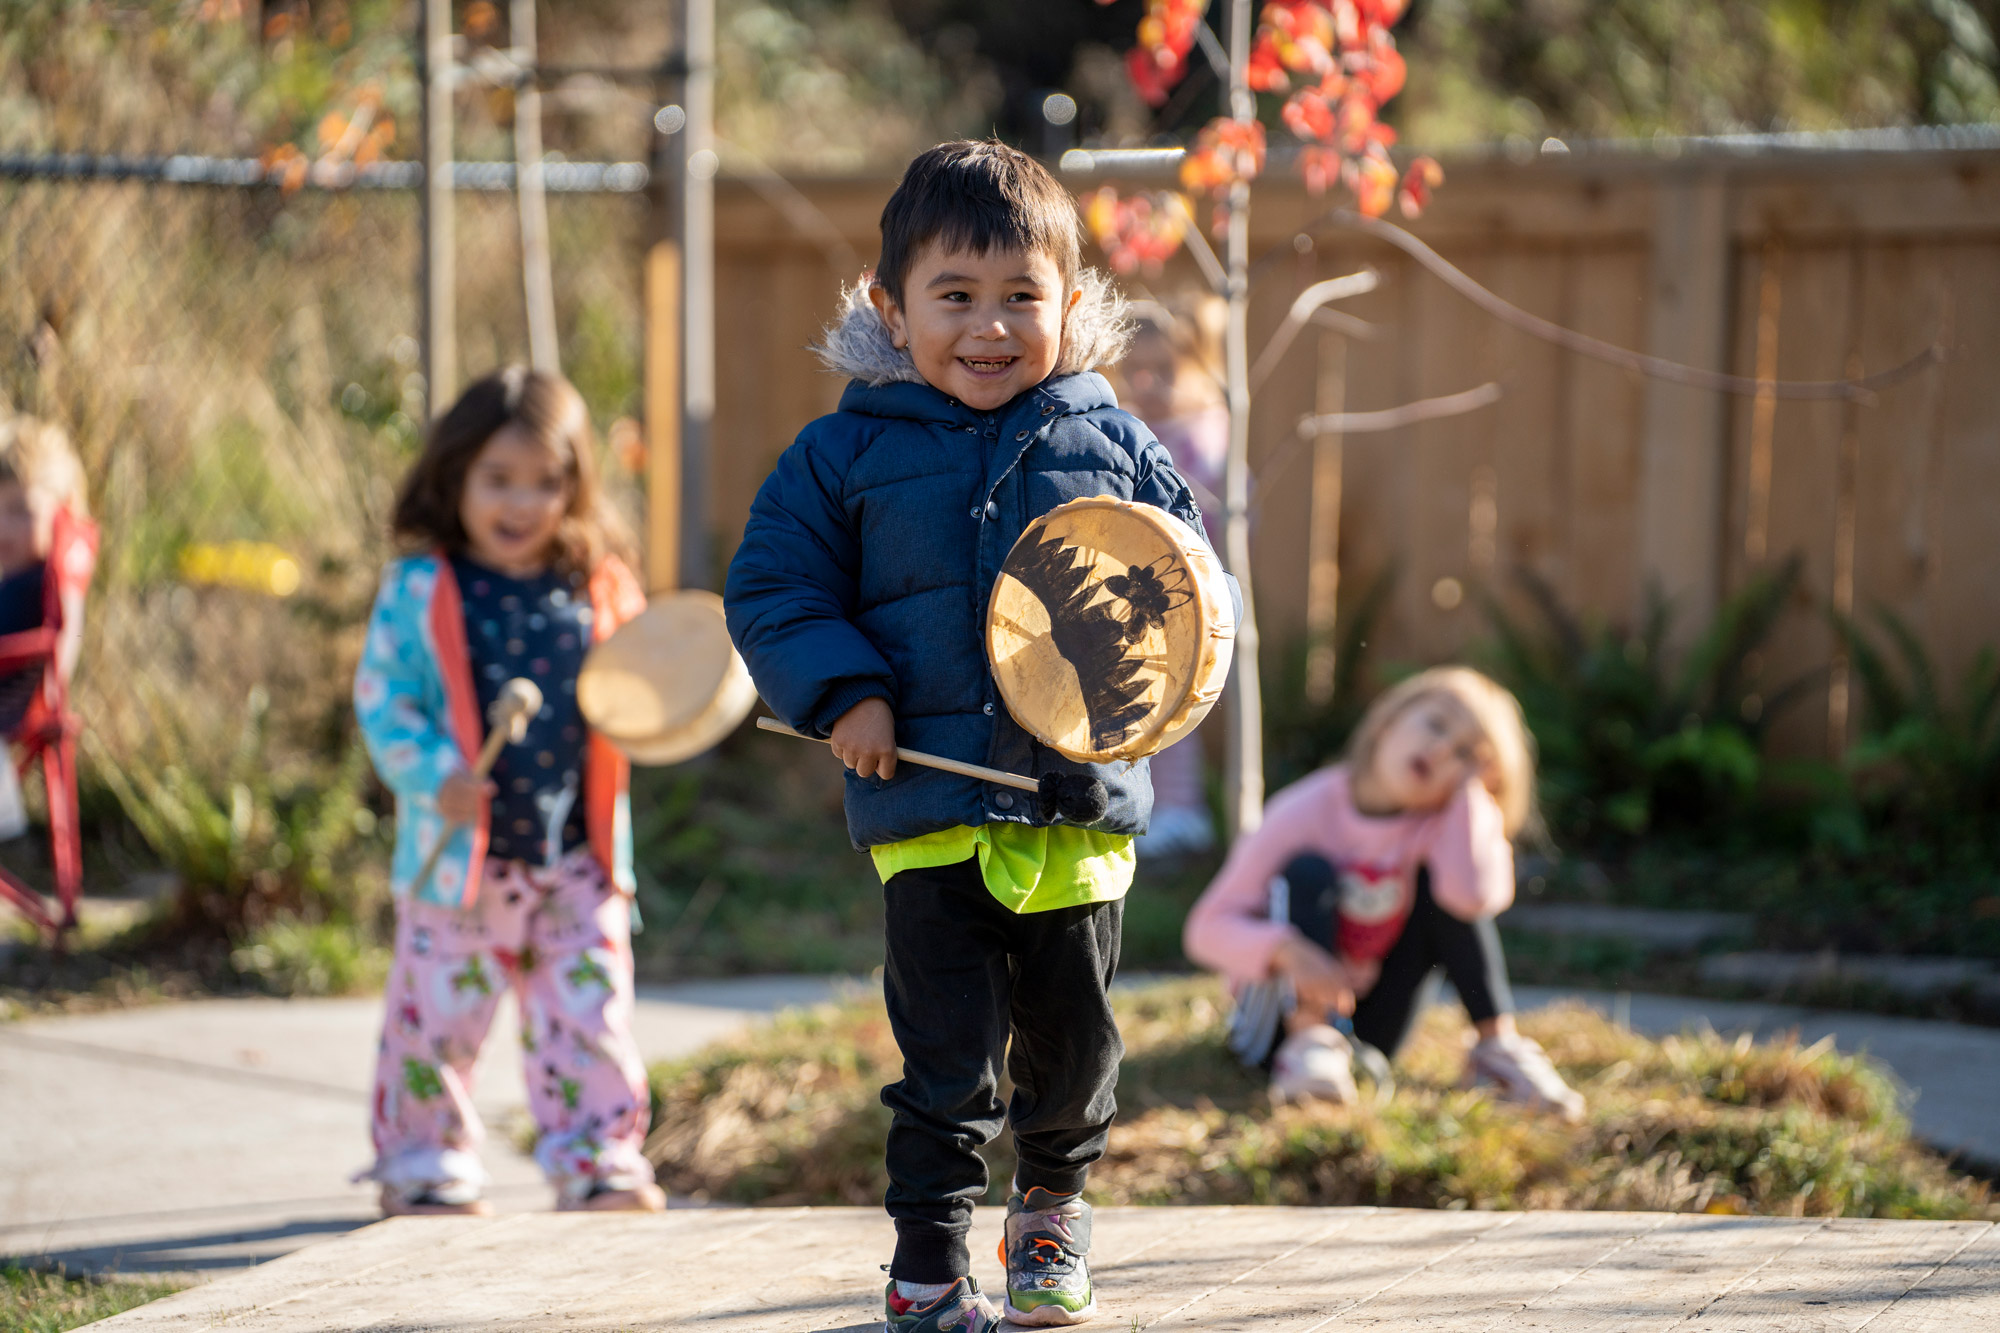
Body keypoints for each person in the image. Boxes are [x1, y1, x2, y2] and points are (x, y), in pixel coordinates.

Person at [726, 141, 1218, 1331]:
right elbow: (774, 588)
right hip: (931, 817)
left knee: (1075, 1053)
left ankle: (1050, 1213)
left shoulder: (1115, 445)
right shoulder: (841, 454)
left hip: (1073, 809)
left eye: (1020, 297)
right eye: (954, 296)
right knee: (944, 1064)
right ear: (893, 311)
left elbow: (1176, 589)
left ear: (1069, 305)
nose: (988, 328)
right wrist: (844, 692)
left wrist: (1141, 690)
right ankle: (928, 1269)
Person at [352, 366, 664, 1216]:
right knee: (436, 1025)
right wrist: (432, 774)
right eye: (498, 480)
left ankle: (598, 1157)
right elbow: (385, 699)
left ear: (576, 486)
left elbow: (644, 681)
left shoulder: (599, 585)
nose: (521, 504)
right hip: (462, 865)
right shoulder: (421, 589)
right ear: (453, 478)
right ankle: (423, 1165)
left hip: (576, 859)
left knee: (588, 1016)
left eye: (546, 482)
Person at [1183, 666, 1585, 1120]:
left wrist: (1470, 801)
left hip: (1372, 1026)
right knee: (1308, 872)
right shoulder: (1303, 811)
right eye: (1435, 725)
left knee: (1445, 891)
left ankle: (1497, 1048)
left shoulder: (1440, 828)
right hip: (1278, 1031)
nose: (1441, 749)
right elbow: (1205, 929)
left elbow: (1472, 899)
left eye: (1465, 755)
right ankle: (1309, 1042)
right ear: (1388, 720)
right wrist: (1287, 951)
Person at [1112, 297, 1229, 859]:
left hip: (1186, 599)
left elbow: (1218, 518)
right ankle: (1143, 803)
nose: (1150, 384)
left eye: (1166, 372)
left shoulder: (1199, 437)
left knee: (1177, 704)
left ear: (1200, 367)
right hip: (1134, 597)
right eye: (1137, 372)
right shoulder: (1129, 430)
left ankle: (1182, 812)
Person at [0, 413, 91, 838]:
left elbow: (66, 636)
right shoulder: (24, 584)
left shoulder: (30, 587)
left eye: (21, 512)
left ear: (62, 517)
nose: (3, 528)